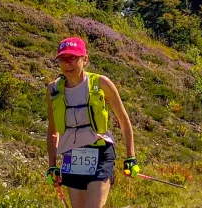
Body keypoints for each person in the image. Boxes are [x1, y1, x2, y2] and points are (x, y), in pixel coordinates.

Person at [46, 37, 140, 208]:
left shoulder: (101, 83)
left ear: (85, 59)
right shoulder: (53, 90)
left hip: (101, 152)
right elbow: (53, 131)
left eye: (73, 58)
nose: (68, 63)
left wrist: (131, 156)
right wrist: (52, 165)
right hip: (72, 156)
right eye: (63, 59)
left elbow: (123, 119)